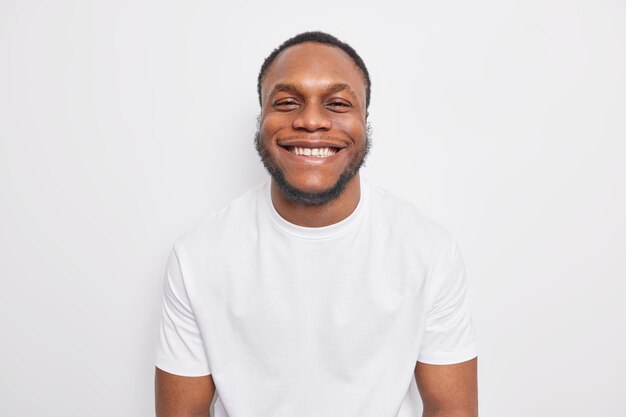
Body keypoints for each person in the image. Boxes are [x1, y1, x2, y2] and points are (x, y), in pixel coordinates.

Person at [154, 31, 478, 417]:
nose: (310, 120)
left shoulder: (429, 250)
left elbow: (450, 408)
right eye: (287, 102)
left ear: (363, 120)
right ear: (262, 119)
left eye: (338, 103)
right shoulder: (198, 255)